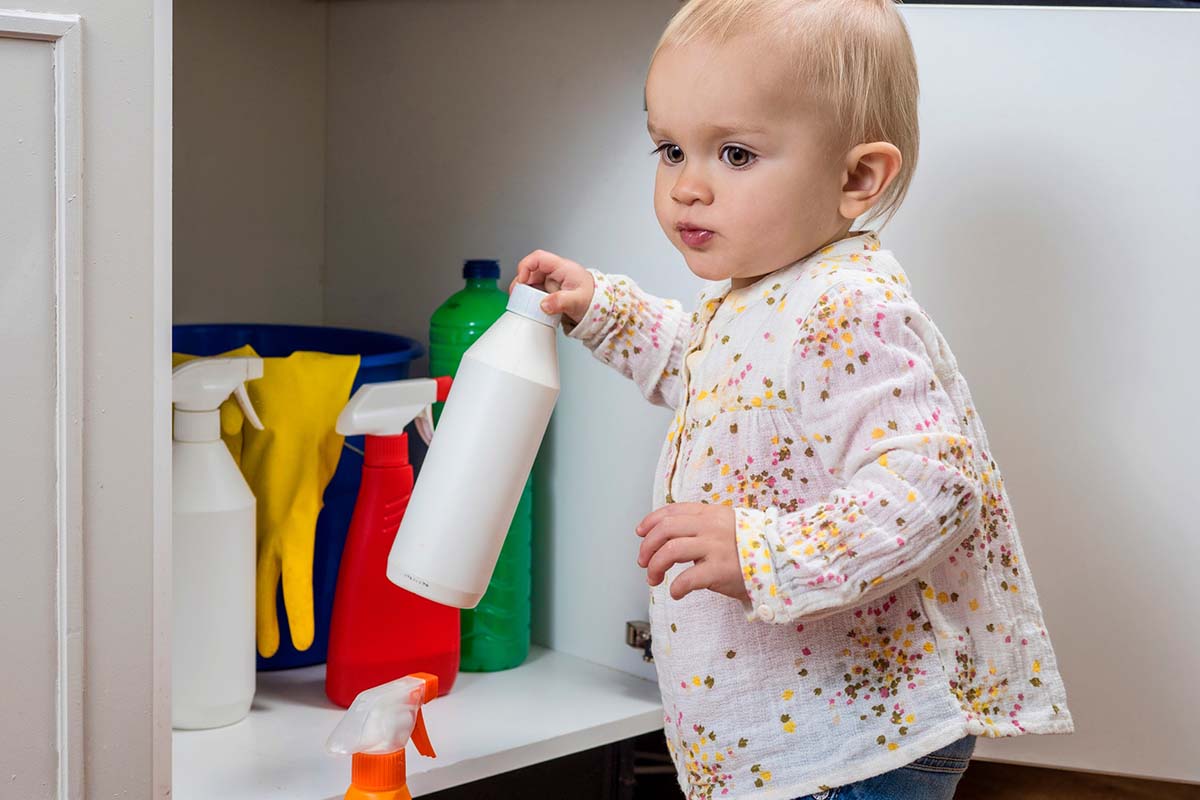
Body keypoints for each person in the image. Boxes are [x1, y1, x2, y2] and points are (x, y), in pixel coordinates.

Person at [514, 1, 1073, 797]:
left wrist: (766, 551)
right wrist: (604, 307)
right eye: (670, 149)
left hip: (853, 744)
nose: (688, 187)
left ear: (856, 178)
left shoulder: (841, 306)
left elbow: (934, 484)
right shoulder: (763, 297)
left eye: (735, 153)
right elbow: (715, 380)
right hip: (799, 736)